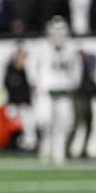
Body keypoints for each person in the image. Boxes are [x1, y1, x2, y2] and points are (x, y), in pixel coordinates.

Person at [31, 16, 81, 165]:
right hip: (46, 88)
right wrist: (35, 81)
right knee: (45, 120)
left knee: (64, 122)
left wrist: (74, 83)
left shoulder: (71, 47)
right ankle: (45, 149)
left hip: (64, 88)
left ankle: (59, 152)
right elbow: (32, 64)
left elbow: (76, 67)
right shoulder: (41, 46)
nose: (58, 37)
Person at [66, 49, 96, 160]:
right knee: (77, 123)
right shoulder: (74, 63)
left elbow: (90, 81)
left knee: (89, 124)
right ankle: (67, 149)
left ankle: (84, 150)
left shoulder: (87, 64)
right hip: (79, 97)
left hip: (87, 97)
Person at [3, 43, 35, 152]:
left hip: (25, 103)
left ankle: (28, 146)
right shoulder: (11, 70)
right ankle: (13, 145)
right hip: (14, 103)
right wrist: (15, 102)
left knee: (28, 126)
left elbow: (30, 87)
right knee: (13, 126)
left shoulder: (27, 70)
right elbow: (8, 86)